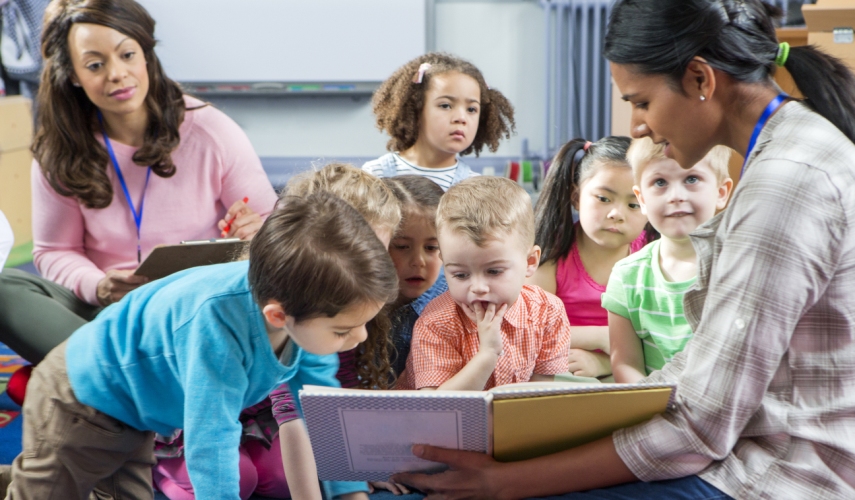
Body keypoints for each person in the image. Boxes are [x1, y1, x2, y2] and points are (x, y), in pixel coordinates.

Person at [387, 0, 855, 497]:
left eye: (642, 102)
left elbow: (700, 427)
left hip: (783, 471)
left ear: (700, 80)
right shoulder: (786, 151)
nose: (636, 126)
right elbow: (702, 367)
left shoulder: (785, 183)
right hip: (744, 446)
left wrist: (509, 481)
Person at [4, 192, 398, 500]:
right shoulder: (217, 328)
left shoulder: (301, 306)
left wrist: (350, 491)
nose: (360, 337)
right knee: (47, 491)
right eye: (345, 329)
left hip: (136, 414)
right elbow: (212, 441)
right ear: (278, 316)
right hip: (80, 399)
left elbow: (318, 407)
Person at [0, 0, 278, 367]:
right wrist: (99, 286)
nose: (116, 74)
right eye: (95, 65)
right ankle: (122, 375)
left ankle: (92, 376)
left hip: (197, 313)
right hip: (105, 315)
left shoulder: (211, 131)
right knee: (5, 290)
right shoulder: (59, 149)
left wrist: (255, 229)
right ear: (73, 75)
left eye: (127, 55)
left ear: (146, 55)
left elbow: (275, 231)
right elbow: (54, 252)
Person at [152, 163, 402, 500]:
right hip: (199, 418)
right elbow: (231, 427)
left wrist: (353, 482)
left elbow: (324, 407)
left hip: (257, 421)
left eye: (377, 251)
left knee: (279, 477)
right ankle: (162, 473)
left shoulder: (345, 304)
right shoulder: (288, 308)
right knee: (238, 477)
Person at [396, 176, 571, 391]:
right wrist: (487, 354)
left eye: (494, 271)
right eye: (460, 275)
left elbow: (539, 396)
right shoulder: (436, 323)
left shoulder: (548, 311)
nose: (478, 287)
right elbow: (438, 409)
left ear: (530, 262)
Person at [605, 139, 732, 383]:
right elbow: (625, 364)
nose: (675, 196)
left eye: (691, 179)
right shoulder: (626, 276)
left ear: (721, 192)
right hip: (654, 407)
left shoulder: (739, 265)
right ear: (641, 199)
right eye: (660, 182)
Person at [528, 137, 651, 379]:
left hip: (632, 372)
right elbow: (528, 330)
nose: (616, 214)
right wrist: (603, 337)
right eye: (604, 199)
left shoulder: (652, 256)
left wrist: (607, 359)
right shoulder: (550, 254)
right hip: (561, 372)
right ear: (576, 197)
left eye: (633, 204)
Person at [362, 52, 515, 191]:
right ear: (416, 109)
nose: (461, 118)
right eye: (445, 106)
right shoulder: (375, 174)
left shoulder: (476, 188)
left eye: (471, 109)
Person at [382, 175, 447, 377]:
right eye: (402, 247)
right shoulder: (357, 304)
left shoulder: (451, 304)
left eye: (431, 247)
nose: (419, 260)